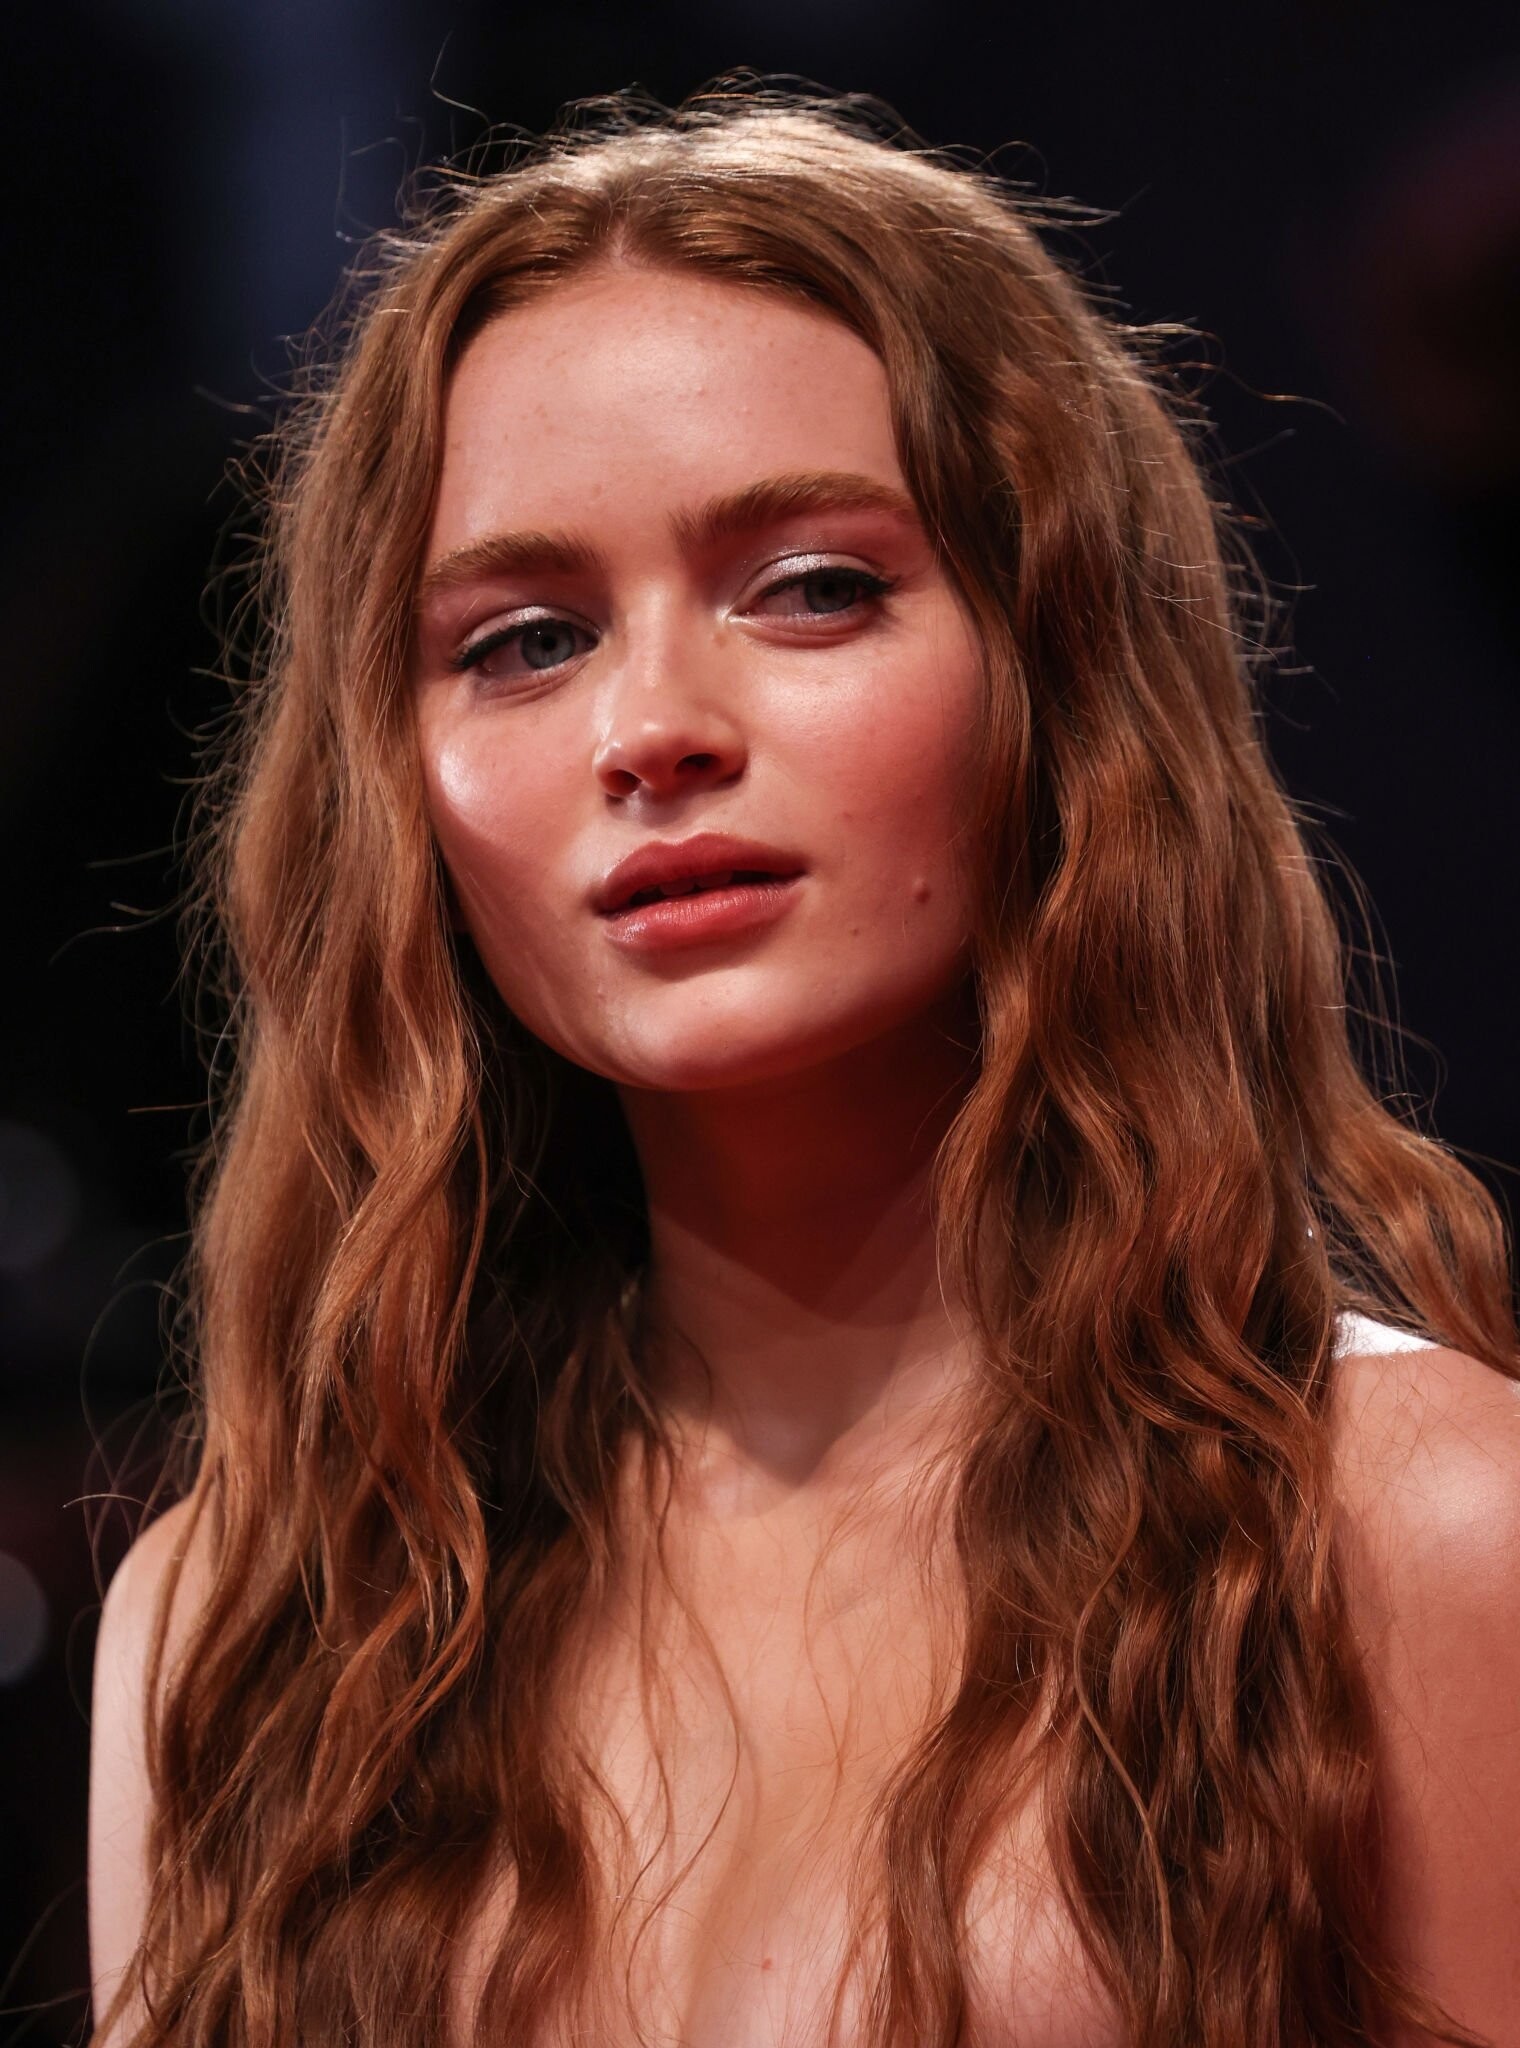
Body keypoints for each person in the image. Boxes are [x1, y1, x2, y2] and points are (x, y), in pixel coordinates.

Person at [86, 86, 1520, 2048]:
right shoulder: (252, 1623)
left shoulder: (1411, 1531)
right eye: (522, 640)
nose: (652, 727)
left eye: (814, 587)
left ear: (1060, 672)